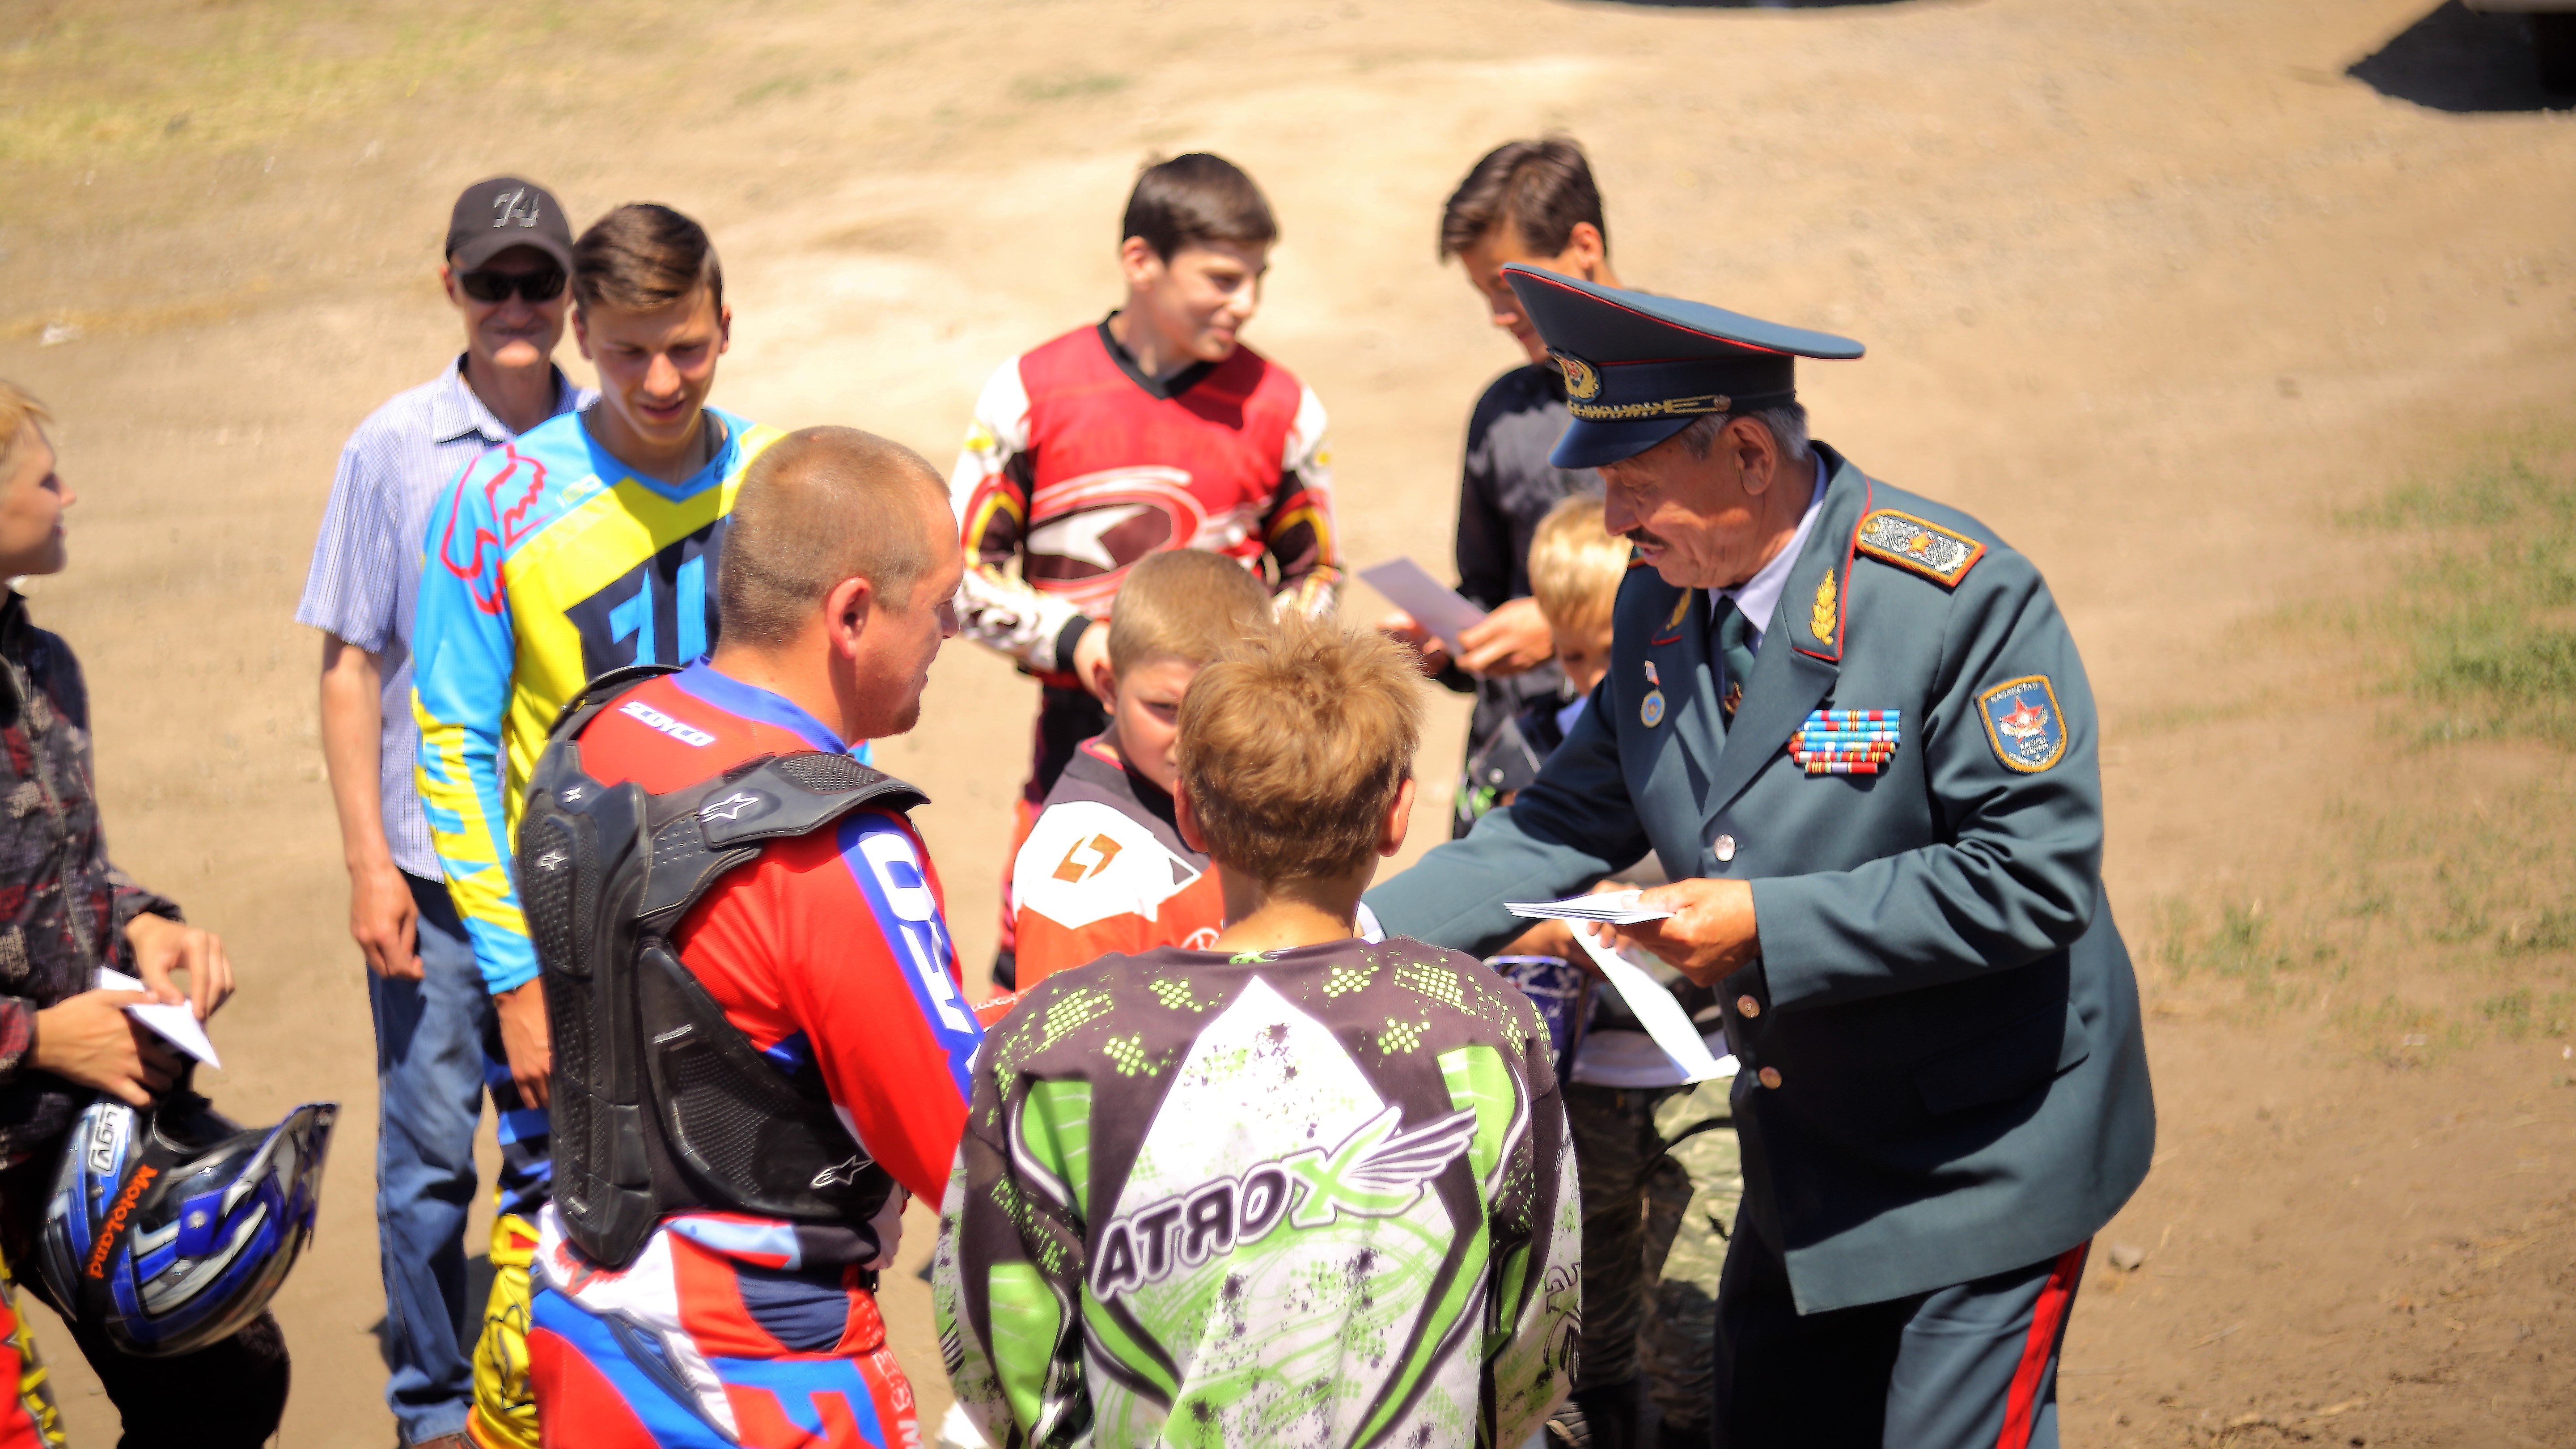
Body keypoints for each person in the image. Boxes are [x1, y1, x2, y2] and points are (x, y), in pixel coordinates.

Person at [1364, 267, 2156, 1449]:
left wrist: (1764, 924)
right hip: (1809, 1150)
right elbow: (1558, 822)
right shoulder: (1662, 598)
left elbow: (2031, 873)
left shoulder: (1950, 599)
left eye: (1634, 482)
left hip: (1982, 1157)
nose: (1614, 519)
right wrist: (1339, 940)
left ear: (1745, 454)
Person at [937, 618, 1580, 1449]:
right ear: (1397, 815)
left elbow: (999, 1356)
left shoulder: (1059, 1044)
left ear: (1188, 812)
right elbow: (1538, 1333)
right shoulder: (1483, 1028)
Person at [516, 427, 979, 1447]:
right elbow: (968, 1148)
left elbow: (742, 1012)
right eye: (939, 603)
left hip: (583, 1329)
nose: (950, 629)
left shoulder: (597, 730)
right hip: (754, 1374)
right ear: (852, 612)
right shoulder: (835, 844)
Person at [412, 202, 784, 1449]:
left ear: (726, 324)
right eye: (627, 352)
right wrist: (516, 973)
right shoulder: (495, 504)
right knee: (557, 1247)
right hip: (573, 962)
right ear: (582, 333)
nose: (662, 380)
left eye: (686, 346)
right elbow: (452, 749)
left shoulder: (776, 481)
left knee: (749, 1234)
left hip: (745, 945)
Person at [297, 174, 589, 1449]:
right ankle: (430, 1407)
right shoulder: (392, 449)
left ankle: (570, 1385)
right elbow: (352, 665)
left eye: (540, 282)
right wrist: (370, 862)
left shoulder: (610, 443)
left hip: (578, 873)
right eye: (492, 282)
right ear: (450, 286)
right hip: (433, 881)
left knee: (577, 1153)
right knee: (427, 1163)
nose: (516, 307)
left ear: (572, 293)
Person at [948, 152, 1339, 987]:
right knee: (1046, 986)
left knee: (1243, 986)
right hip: (1071, 747)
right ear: (1141, 262)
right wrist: (1079, 641)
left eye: (1258, 279)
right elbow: (961, 574)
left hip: (1241, 764)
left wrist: (1259, 658)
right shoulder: (1031, 393)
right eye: (1225, 279)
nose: (1248, 304)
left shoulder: (1284, 408)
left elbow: (1320, 575)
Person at [0, 381, 277, 1445]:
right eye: (44, 475)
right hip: (32, 1101)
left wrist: (148, 926)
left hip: (72, 1139)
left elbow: (65, 877)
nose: (72, 490)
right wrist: (35, 1037)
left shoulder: (42, 664)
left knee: (229, 1379)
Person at [1499, 494, 1741, 1449]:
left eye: (1608, 657)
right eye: (1569, 659)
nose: (1590, 686)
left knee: (1696, 1328)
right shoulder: (1515, 758)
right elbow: (1490, 913)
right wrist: (1558, 933)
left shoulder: (1711, 746)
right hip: (1581, 1088)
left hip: (1708, 1070)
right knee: (1583, 1345)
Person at [1385, 138, 1620, 836]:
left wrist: (1566, 628)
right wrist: (1450, 639)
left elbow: (1740, 589)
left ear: (1583, 246)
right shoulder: (1503, 414)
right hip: (1512, 770)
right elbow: (1488, 590)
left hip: (1642, 767)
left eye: (1508, 287)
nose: (1499, 314)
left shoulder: (1698, 388)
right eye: (1483, 292)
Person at [1007, 548, 1272, 990]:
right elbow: (1061, 1055)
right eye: (1165, 708)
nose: (1193, 739)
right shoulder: (1080, 894)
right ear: (1108, 688)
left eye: (1224, 706)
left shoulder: (1257, 779)